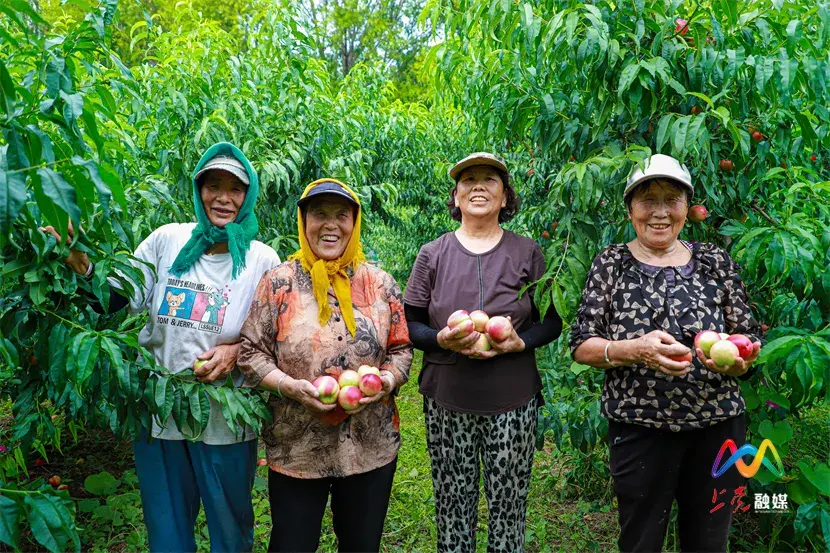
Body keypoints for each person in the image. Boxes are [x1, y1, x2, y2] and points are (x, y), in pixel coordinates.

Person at [40, 142, 281, 552]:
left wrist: (234, 352)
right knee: (166, 527)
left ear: (248, 195)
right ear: (197, 190)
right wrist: (82, 265)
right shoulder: (167, 241)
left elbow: (275, 338)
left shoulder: (262, 260)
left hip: (225, 415)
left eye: (235, 189)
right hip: (159, 409)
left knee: (230, 528)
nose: (222, 198)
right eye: (212, 185)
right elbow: (117, 297)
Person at [570, 153, 763, 553]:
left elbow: (745, 335)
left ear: (687, 208)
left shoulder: (714, 260)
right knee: (641, 539)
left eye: (671, 199)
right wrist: (635, 350)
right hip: (640, 428)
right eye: (647, 199)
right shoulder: (612, 263)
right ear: (629, 210)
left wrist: (740, 359)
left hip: (718, 427)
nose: (659, 212)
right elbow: (582, 344)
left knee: (709, 541)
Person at [237, 178, 413, 553]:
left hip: (370, 446)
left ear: (355, 222)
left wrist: (385, 380)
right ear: (303, 221)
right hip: (296, 446)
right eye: (319, 214)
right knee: (292, 545)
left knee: (361, 545)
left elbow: (402, 349)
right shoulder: (278, 283)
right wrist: (289, 386)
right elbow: (250, 352)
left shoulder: (380, 284)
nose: (330, 225)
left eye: (341, 215)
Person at [403, 152, 562, 553]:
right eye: (468, 179)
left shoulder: (527, 253)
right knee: (452, 501)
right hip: (448, 395)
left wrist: (519, 341)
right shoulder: (432, 253)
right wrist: (441, 339)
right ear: (455, 197)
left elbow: (552, 321)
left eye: (490, 180)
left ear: (506, 197)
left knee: (509, 504)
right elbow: (410, 324)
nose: (478, 186)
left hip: (513, 397)